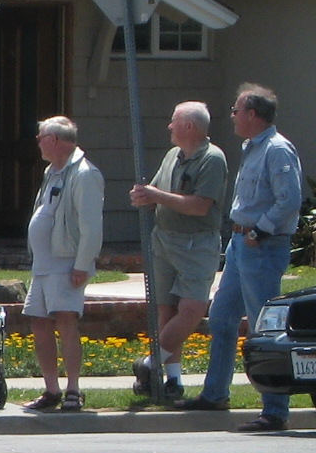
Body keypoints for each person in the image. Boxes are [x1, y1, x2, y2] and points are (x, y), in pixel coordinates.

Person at [188, 84, 303, 431]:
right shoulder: (251, 148)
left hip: (262, 247)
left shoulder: (277, 150)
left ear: (253, 114)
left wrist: (259, 231)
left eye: (237, 111)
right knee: (222, 318)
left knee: (264, 325)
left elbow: (289, 201)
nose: (233, 117)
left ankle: (275, 410)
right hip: (240, 245)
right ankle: (215, 394)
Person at [128, 101, 226, 403]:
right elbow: (158, 190)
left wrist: (156, 195)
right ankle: (173, 380)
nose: (169, 126)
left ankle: (150, 363)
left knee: (192, 310)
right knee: (166, 309)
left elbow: (199, 206)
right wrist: (144, 195)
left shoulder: (212, 159)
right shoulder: (173, 155)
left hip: (197, 244)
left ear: (189, 127)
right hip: (164, 241)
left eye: (174, 121)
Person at [21, 115, 104, 413]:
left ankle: (73, 389)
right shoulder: (52, 172)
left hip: (65, 264)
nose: (38, 142)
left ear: (54, 140)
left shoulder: (84, 174)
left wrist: (82, 264)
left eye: (41, 137)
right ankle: (51, 389)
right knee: (39, 323)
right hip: (42, 266)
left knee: (66, 321)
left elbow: (91, 226)